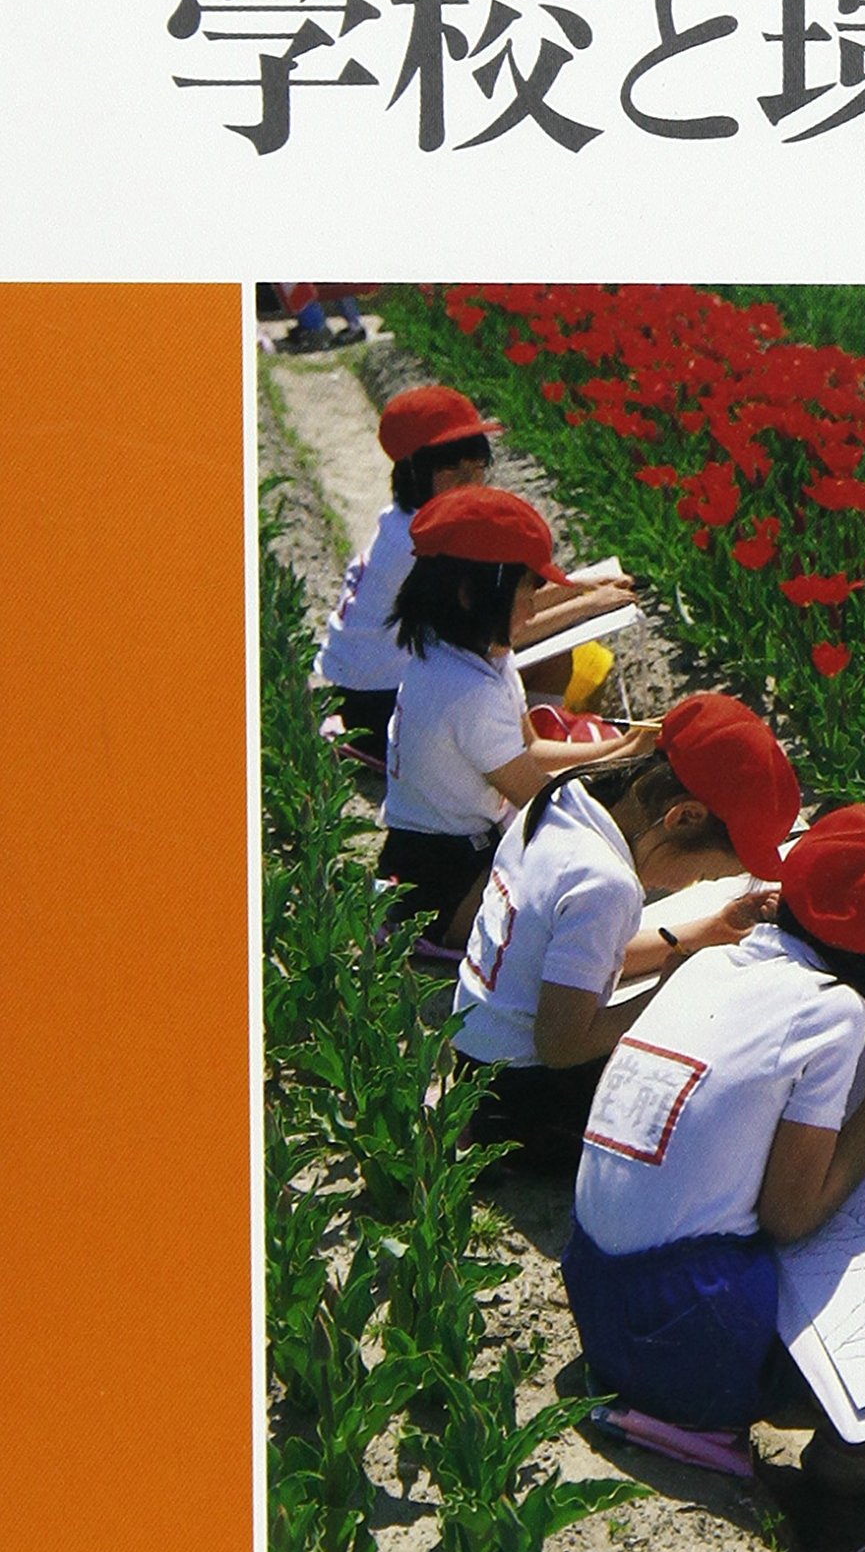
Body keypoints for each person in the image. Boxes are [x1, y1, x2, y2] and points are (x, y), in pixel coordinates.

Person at [560, 805, 865, 1464]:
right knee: (834, 1267)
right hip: (690, 1333)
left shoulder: (707, 965)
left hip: (596, 1289)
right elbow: (790, 1215)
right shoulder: (833, 1009)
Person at [452, 693, 801, 1174]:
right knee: (715, 1119)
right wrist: (667, 995)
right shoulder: (605, 884)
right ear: (683, 817)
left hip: (476, 1059)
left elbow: (582, 961)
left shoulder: (564, 801)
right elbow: (560, 1046)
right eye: (702, 875)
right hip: (526, 1097)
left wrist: (711, 929)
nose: (689, 886)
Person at [378, 485, 653, 950]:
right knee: (584, 915)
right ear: (471, 595)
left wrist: (622, 748)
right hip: (445, 882)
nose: (531, 610)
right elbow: (542, 800)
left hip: (441, 851)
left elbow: (531, 749)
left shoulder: (468, 649)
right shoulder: (465, 691)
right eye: (525, 595)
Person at [314, 383, 635, 781]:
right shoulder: (425, 545)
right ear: (414, 470)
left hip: (360, 688)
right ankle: (527, 755)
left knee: (555, 648)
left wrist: (584, 586)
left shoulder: (408, 520)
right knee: (554, 657)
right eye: (453, 470)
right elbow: (494, 627)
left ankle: (537, 742)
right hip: (382, 707)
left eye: (477, 468)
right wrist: (587, 604)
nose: (470, 482)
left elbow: (501, 604)